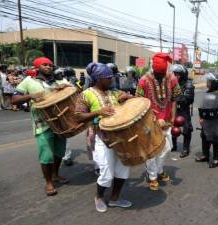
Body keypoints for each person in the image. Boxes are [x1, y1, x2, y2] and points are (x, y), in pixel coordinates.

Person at [75, 62, 133, 212]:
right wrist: (98, 112)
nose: (112, 80)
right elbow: (78, 116)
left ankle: (114, 199)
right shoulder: (86, 94)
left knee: (123, 170)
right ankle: (99, 197)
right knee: (106, 172)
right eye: (109, 78)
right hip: (102, 138)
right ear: (99, 79)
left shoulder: (114, 92)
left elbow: (129, 103)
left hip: (121, 137)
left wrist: (126, 97)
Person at [11, 57, 71, 197]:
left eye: (50, 65)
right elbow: (14, 99)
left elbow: (74, 91)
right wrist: (31, 96)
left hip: (60, 122)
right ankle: (49, 182)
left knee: (59, 152)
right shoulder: (28, 81)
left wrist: (67, 87)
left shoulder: (59, 80)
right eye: (45, 65)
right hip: (42, 123)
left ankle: (56, 175)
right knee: (47, 154)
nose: (48, 67)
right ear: (37, 66)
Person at [136, 52, 181, 191]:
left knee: (166, 148)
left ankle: (160, 170)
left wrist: (173, 117)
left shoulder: (172, 78)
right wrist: (152, 117)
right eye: (158, 74)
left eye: (163, 73)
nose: (161, 76)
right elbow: (139, 102)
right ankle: (153, 176)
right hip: (149, 122)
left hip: (166, 121)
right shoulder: (143, 80)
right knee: (151, 151)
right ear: (153, 70)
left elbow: (174, 99)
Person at [196, 73, 218, 168]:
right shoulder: (207, 93)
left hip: (215, 121)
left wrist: (216, 112)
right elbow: (203, 106)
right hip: (205, 120)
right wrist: (201, 117)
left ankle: (216, 158)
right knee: (204, 136)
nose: (207, 83)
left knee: (216, 138)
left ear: (214, 83)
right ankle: (205, 155)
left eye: (209, 81)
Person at [171, 64, 195, 158]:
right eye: (174, 74)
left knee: (186, 129)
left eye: (177, 74)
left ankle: (186, 149)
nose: (175, 76)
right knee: (172, 127)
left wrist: (175, 98)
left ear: (182, 75)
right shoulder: (173, 83)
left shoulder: (188, 84)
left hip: (183, 110)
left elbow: (188, 100)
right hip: (174, 109)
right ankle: (173, 145)